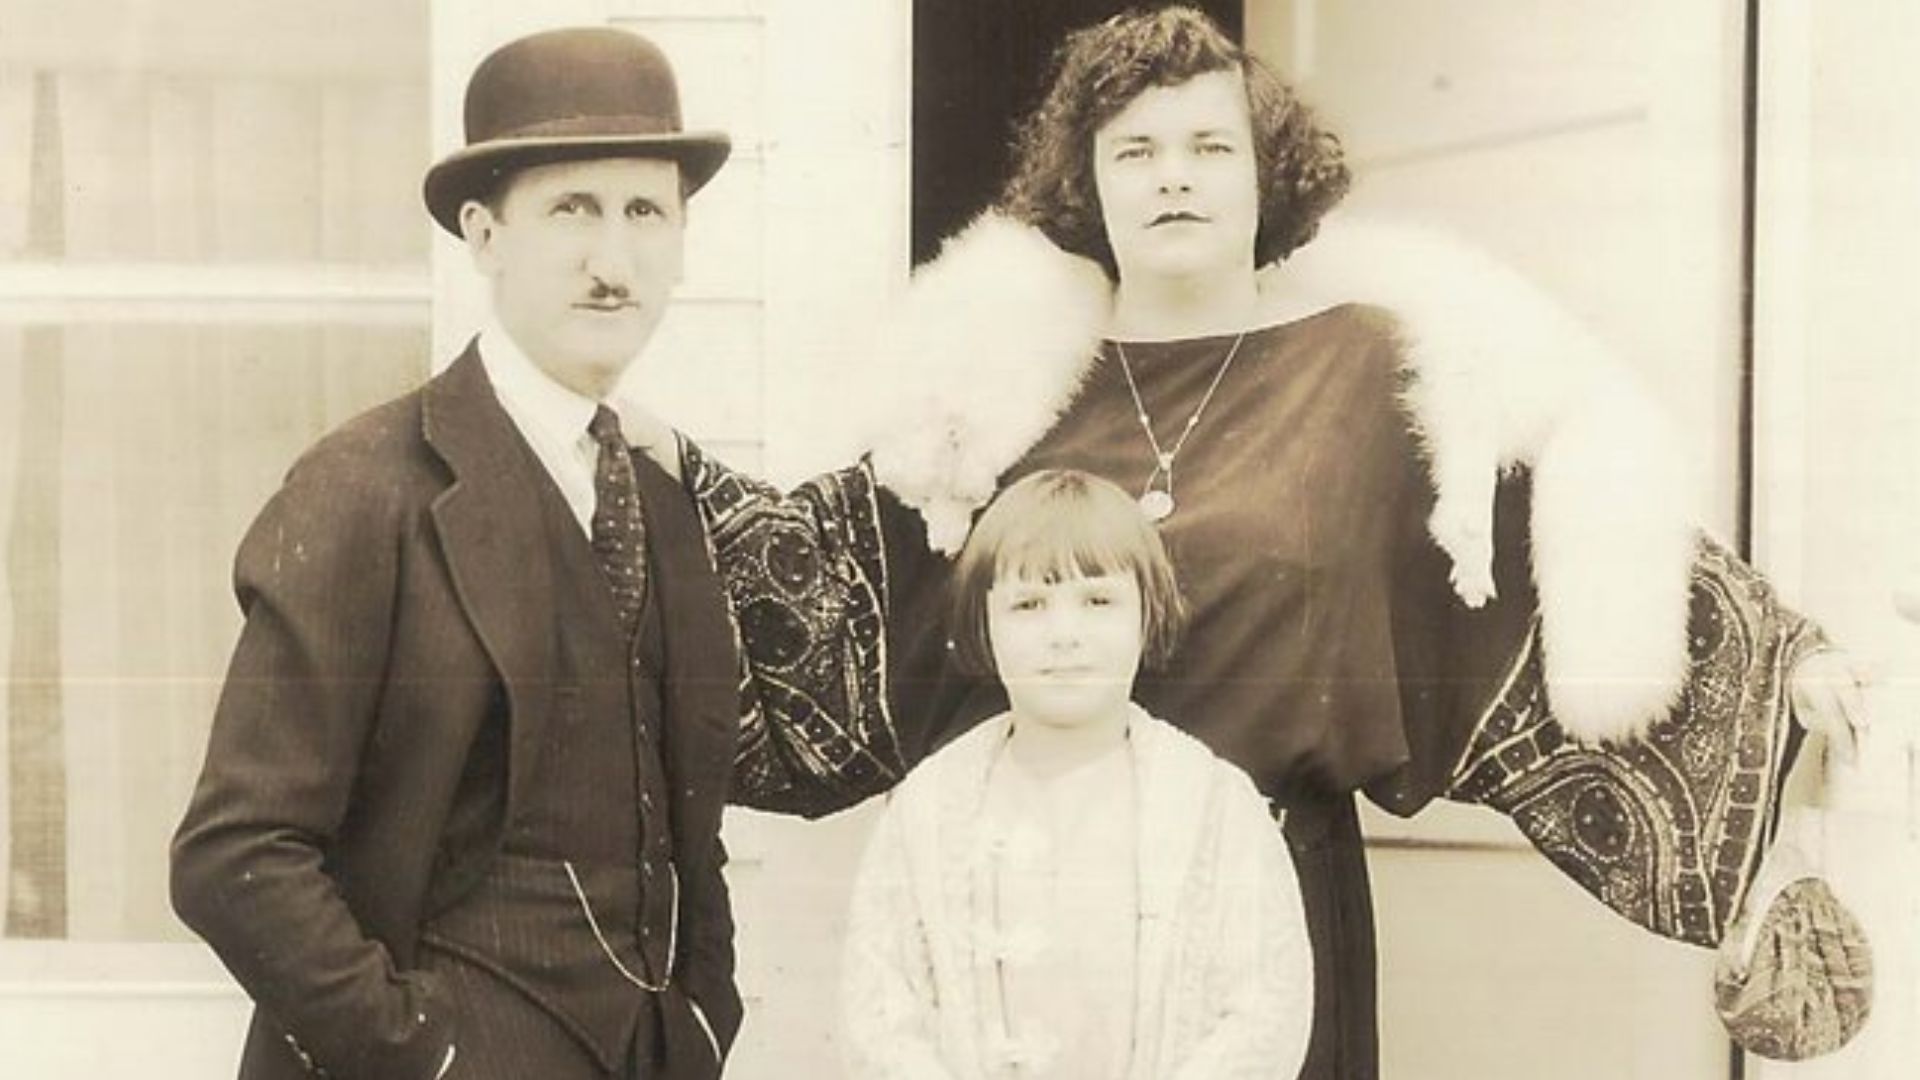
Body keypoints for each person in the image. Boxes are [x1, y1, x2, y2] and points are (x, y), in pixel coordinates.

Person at [642, 7, 1869, 1078]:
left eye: (1209, 146)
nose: (1173, 177)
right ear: (1086, 182)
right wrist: (651, 474)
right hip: (1024, 923)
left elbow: (1580, 548)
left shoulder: (1370, 376)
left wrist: (1786, 658)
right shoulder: (1003, 391)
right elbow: (831, 585)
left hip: (1263, 917)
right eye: (1136, 151)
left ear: (1267, 172)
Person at [171, 27, 746, 1080]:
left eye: (645, 212)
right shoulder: (366, 488)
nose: (614, 262)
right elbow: (234, 856)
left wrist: (703, 1018)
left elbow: (686, 832)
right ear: (484, 235)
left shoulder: (664, 498)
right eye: (572, 209)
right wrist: (421, 1056)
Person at [840, 470, 1313, 1079]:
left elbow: (1262, 1011)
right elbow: (880, 1010)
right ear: (985, 625)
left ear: (1149, 614)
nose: (1065, 635)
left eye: (1097, 601)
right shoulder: (929, 810)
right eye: (1029, 605)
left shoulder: (1215, 808)